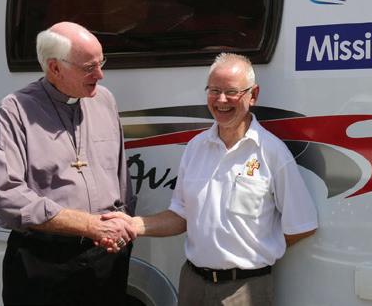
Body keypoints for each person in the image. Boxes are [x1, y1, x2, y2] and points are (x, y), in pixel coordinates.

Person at [102, 52, 318, 306]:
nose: (221, 100)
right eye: (214, 90)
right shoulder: (196, 147)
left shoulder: (272, 152)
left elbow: (302, 225)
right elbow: (180, 216)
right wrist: (132, 225)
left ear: (253, 95)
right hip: (192, 284)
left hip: (245, 290)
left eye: (231, 92)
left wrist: (258, 250)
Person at [0, 21, 137, 306]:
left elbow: (120, 178)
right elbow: (5, 195)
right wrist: (88, 224)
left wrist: (121, 228)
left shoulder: (105, 100)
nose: (100, 74)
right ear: (55, 68)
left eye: (101, 62)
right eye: (89, 67)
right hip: (43, 262)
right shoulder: (16, 109)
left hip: (105, 260)